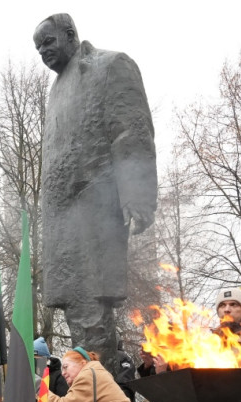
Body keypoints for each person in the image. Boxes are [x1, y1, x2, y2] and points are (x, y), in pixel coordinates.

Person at [34, 13, 157, 374]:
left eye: (49, 42)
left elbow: (131, 130)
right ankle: (94, 386)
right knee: (75, 305)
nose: (43, 52)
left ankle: (104, 391)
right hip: (61, 217)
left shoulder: (110, 65)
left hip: (94, 205)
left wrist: (136, 194)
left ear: (70, 35)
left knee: (93, 301)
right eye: (38, 47)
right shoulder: (57, 89)